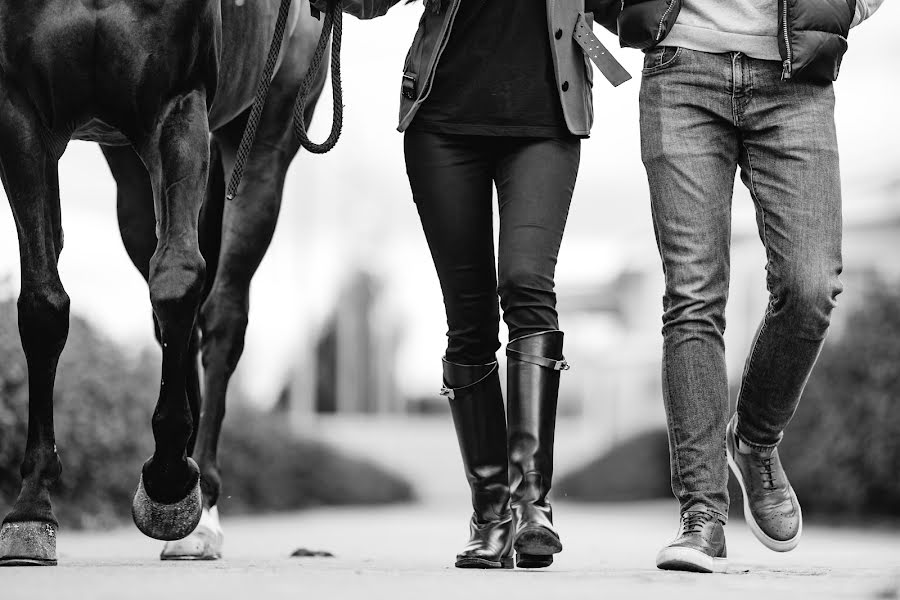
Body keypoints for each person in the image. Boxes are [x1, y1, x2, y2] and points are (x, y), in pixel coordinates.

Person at [311, 0, 627, 569]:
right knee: (469, 319)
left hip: (545, 122)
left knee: (528, 284)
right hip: (443, 125)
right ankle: (491, 517)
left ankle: (533, 508)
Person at [609, 0, 884, 573]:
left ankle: (755, 440)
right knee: (692, 294)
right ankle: (702, 516)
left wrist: (840, 9)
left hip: (794, 78)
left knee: (811, 286)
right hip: (680, 67)